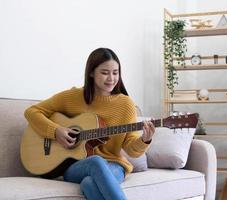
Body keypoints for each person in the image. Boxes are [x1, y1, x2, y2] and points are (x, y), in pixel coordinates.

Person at [24, 47, 155, 200]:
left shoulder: (125, 104)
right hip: (76, 165)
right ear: (91, 73)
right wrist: (55, 131)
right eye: (105, 73)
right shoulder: (73, 97)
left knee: (88, 184)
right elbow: (32, 111)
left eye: (115, 72)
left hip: (113, 165)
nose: (111, 78)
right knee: (95, 161)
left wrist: (145, 140)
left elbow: (131, 149)